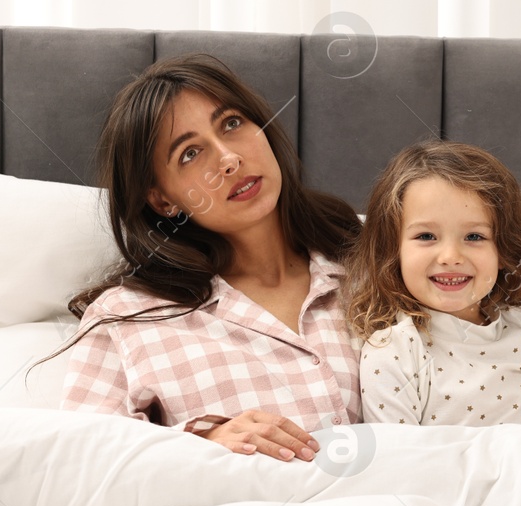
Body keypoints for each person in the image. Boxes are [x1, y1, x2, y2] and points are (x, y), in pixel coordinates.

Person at [60, 53, 361, 463]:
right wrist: (201, 446)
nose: (229, 159)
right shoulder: (124, 319)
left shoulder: (379, 267)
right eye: (190, 153)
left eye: (232, 124)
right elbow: (83, 468)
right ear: (162, 200)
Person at [347, 140, 521, 442]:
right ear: (392, 251)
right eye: (426, 236)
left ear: (504, 249)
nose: (450, 256)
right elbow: (403, 462)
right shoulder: (393, 353)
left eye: (474, 236)